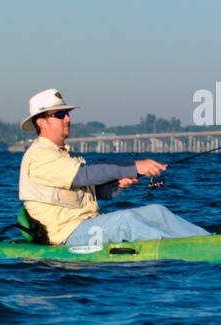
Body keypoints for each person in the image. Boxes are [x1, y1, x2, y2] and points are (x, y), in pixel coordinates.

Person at [18, 89, 210, 246]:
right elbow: (86, 174)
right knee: (125, 221)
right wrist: (134, 166)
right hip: (65, 236)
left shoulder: (62, 155)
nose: (67, 119)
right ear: (41, 122)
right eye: (60, 115)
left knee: (157, 211)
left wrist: (118, 185)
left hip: (86, 224)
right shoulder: (40, 155)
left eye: (67, 113)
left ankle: (210, 240)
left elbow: (94, 191)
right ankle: (193, 248)